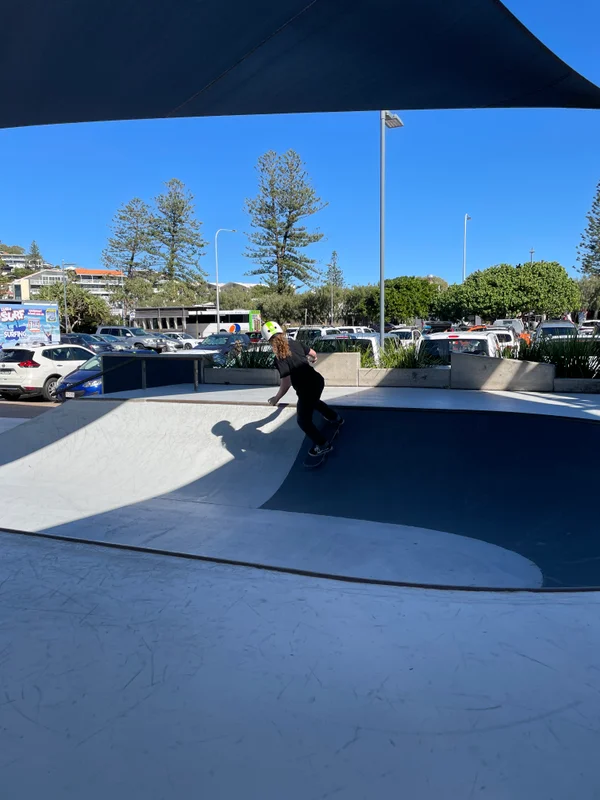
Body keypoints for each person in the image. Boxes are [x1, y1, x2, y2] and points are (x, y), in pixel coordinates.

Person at [262, 321, 343, 457]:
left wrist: (276, 398)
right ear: (282, 332)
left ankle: (323, 445)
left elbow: (286, 384)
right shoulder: (295, 343)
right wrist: (313, 359)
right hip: (318, 381)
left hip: (306, 390)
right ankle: (336, 418)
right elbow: (313, 353)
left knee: (303, 421)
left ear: (268, 340)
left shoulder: (279, 358)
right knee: (314, 401)